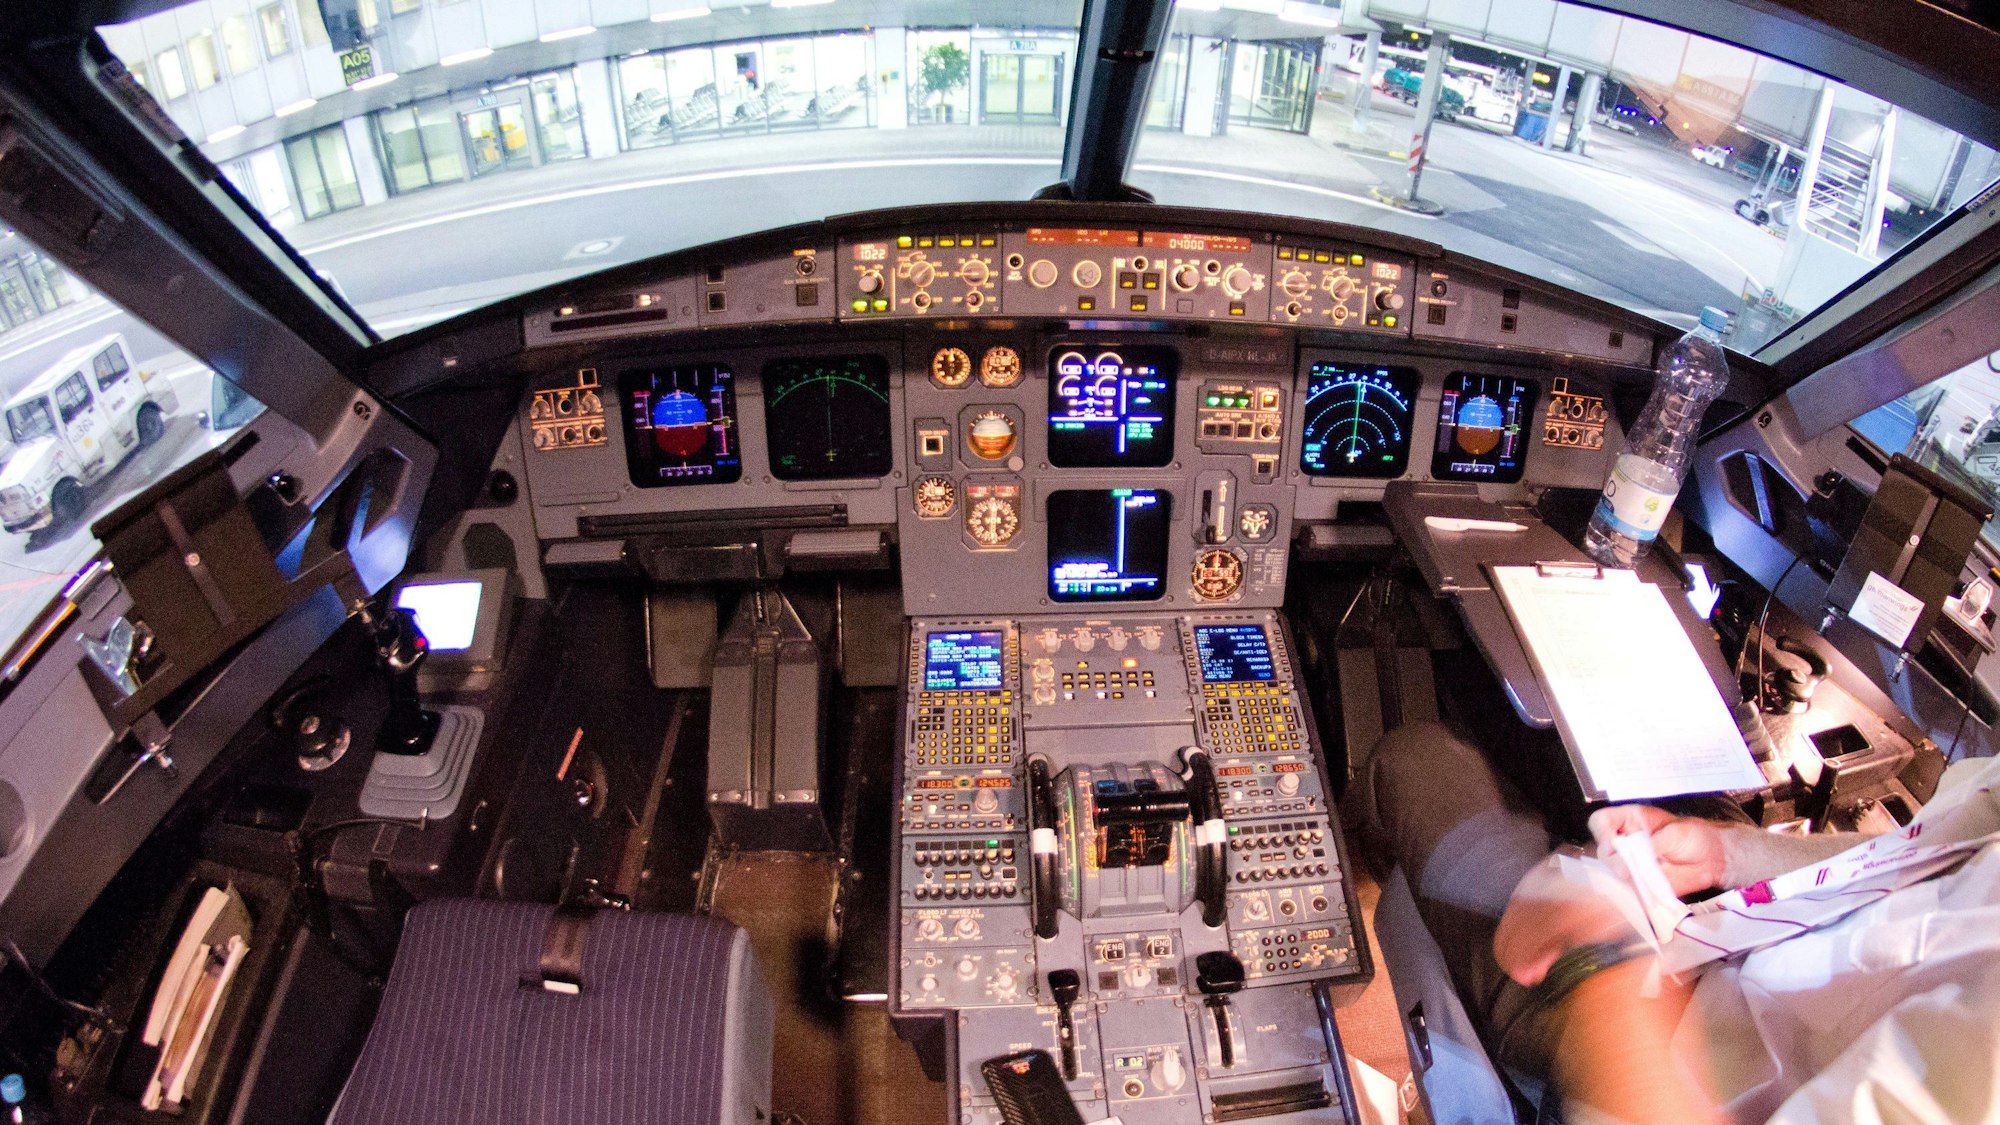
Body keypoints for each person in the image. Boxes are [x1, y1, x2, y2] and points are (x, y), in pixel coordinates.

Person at [1366, 720, 2000, 1124]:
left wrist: (1596, 961)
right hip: (1719, 943)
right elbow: (1920, 848)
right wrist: (1725, 852)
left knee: (1418, 759)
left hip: (1645, 1064)